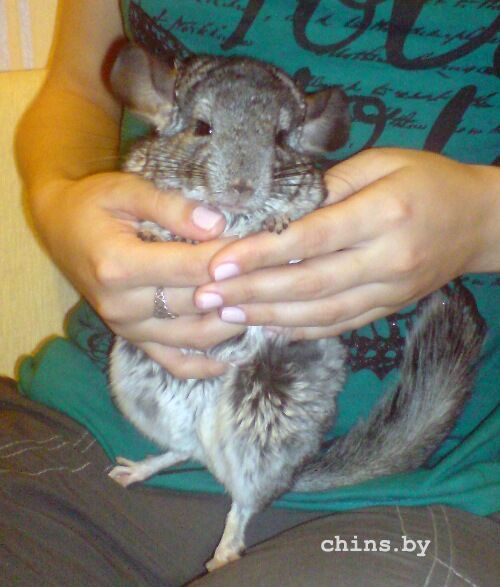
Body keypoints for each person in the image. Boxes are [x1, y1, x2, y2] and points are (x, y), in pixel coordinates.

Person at [3, 1, 498, 585]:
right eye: (205, 129)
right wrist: (61, 204)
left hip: (414, 498)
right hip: (85, 424)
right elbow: (80, 87)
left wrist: (484, 219)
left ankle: (242, 509)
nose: (242, 179)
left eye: (277, 140)